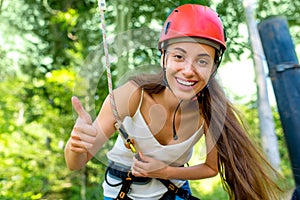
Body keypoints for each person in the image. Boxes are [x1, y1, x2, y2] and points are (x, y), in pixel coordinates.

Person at [64, 4, 284, 200]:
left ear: (213, 68)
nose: (189, 71)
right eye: (179, 56)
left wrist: (166, 172)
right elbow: (76, 163)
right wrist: (75, 145)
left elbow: (210, 168)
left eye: (202, 61)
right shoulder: (131, 96)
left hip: (173, 192)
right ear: (164, 56)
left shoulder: (210, 111)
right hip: (122, 192)